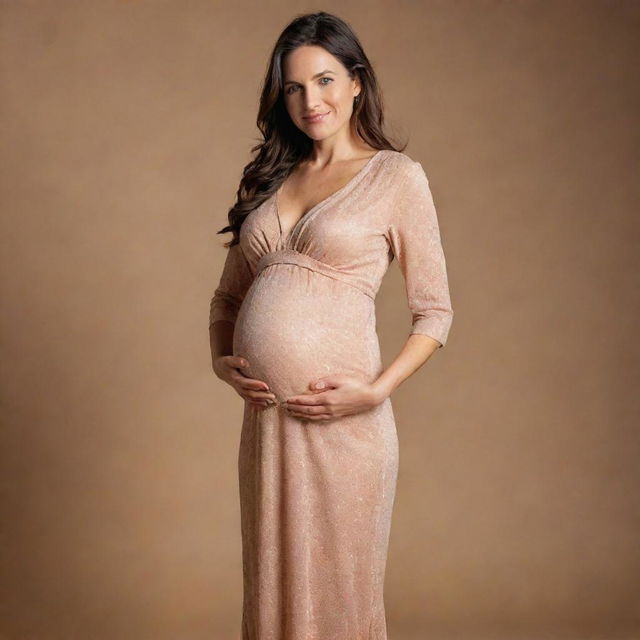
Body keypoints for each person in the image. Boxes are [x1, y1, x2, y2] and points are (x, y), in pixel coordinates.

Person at [209, 11, 454, 639]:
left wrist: (376, 390)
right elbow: (226, 302)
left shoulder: (395, 178)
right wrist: (221, 359)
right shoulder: (269, 184)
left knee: (341, 595)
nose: (309, 100)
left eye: (323, 81)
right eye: (293, 87)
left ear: (356, 83)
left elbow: (435, 312)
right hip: (267, 427)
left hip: (344, 423)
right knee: (273, 588)